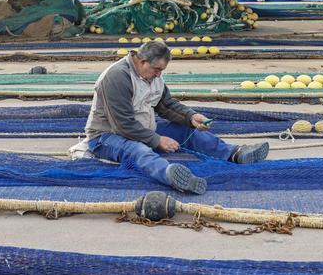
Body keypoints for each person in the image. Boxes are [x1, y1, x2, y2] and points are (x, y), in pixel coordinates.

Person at [83, 40, 268, 194]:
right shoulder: (117, 77)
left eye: (161, 70)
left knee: (188, 130)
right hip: (106, 137)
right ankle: (170, 175)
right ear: (141, 61)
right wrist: (156, 140)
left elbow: (166, 105)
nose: (158, 74)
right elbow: (123, 125)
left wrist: (191, 117)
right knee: (138, 150)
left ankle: (234, 154)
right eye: (156, 69)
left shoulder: (153, 76)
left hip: (143, 128)